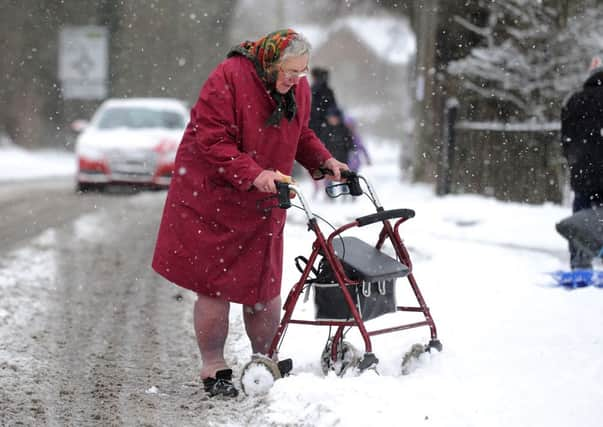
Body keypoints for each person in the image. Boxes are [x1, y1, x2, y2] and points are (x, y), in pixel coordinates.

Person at [151, 29, 348, 398]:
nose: (296, 79)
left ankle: (264, 358)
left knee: (263, 283)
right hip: (215, 194)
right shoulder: (229, 77)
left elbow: (299, 133)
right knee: (215, 285)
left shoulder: (297, 89)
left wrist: (324, 160)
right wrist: (252, 173)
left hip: (267, 193)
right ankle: (214, 366)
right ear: (269, 62)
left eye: (302, 72)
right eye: (290, 71)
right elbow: (212, 139)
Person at [560, 56, 603, 270]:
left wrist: (576, 161)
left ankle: (579, 263)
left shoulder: (574, 100)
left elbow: (566, 139)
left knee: (582, 218)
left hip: (583, 172)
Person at [309, 67, 339, 135]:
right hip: (324, 123)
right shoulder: (327, 90)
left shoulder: (313, 89)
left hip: (316, 121)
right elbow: (332, 105)